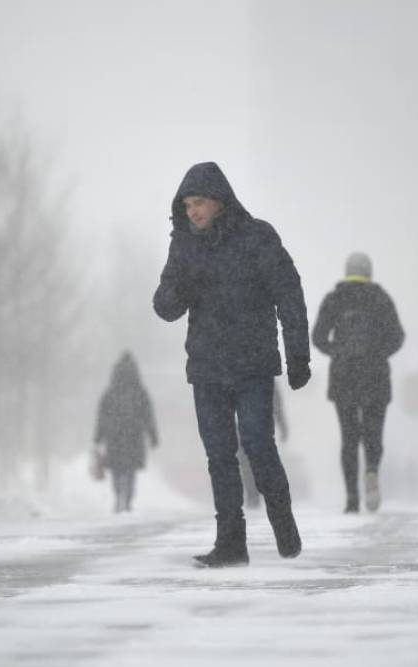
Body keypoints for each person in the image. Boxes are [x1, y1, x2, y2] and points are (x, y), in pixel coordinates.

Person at [153, 161, 310, 568]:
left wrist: (298, 354)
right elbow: (164, 306)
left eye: (199, 203)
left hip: (252, 364)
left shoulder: (258, 237)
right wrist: (185, 284)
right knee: (219, 454)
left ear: (219, 201)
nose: (192, 212)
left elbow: (288, 293)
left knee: (258, 444)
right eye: (186, 205)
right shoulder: (184, 245)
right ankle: (231, 542)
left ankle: (283, 523)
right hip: (206, 368)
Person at [312, 252, 404, 513]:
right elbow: (397, 336)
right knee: (373, 433)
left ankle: (352, 497)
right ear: (369, 272)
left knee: (349, 438)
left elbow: (318, 336)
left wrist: (337, 352)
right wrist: (378, 353)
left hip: (344, 376)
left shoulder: (335, 299)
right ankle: (372, 469)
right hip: (375, 375)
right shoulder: (381, 298)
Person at [94, 352, 159, 513]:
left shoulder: (110, 393)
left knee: (116, 469)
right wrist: (153, 436)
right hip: (134, 435)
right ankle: (128, 500)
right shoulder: (140, 392)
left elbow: (102, 415)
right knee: (130, 470)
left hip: (114, 435)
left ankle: (117, 498)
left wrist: (98, 436)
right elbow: (148, 415)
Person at [239, 384, 288, 509]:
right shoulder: (264, 378)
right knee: (259, 461)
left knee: (250, 463)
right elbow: (277, 405)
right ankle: (267, 496)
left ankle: (256, 495)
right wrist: (282, 426)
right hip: (258, 428)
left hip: (250, 428)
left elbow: (277, 405)